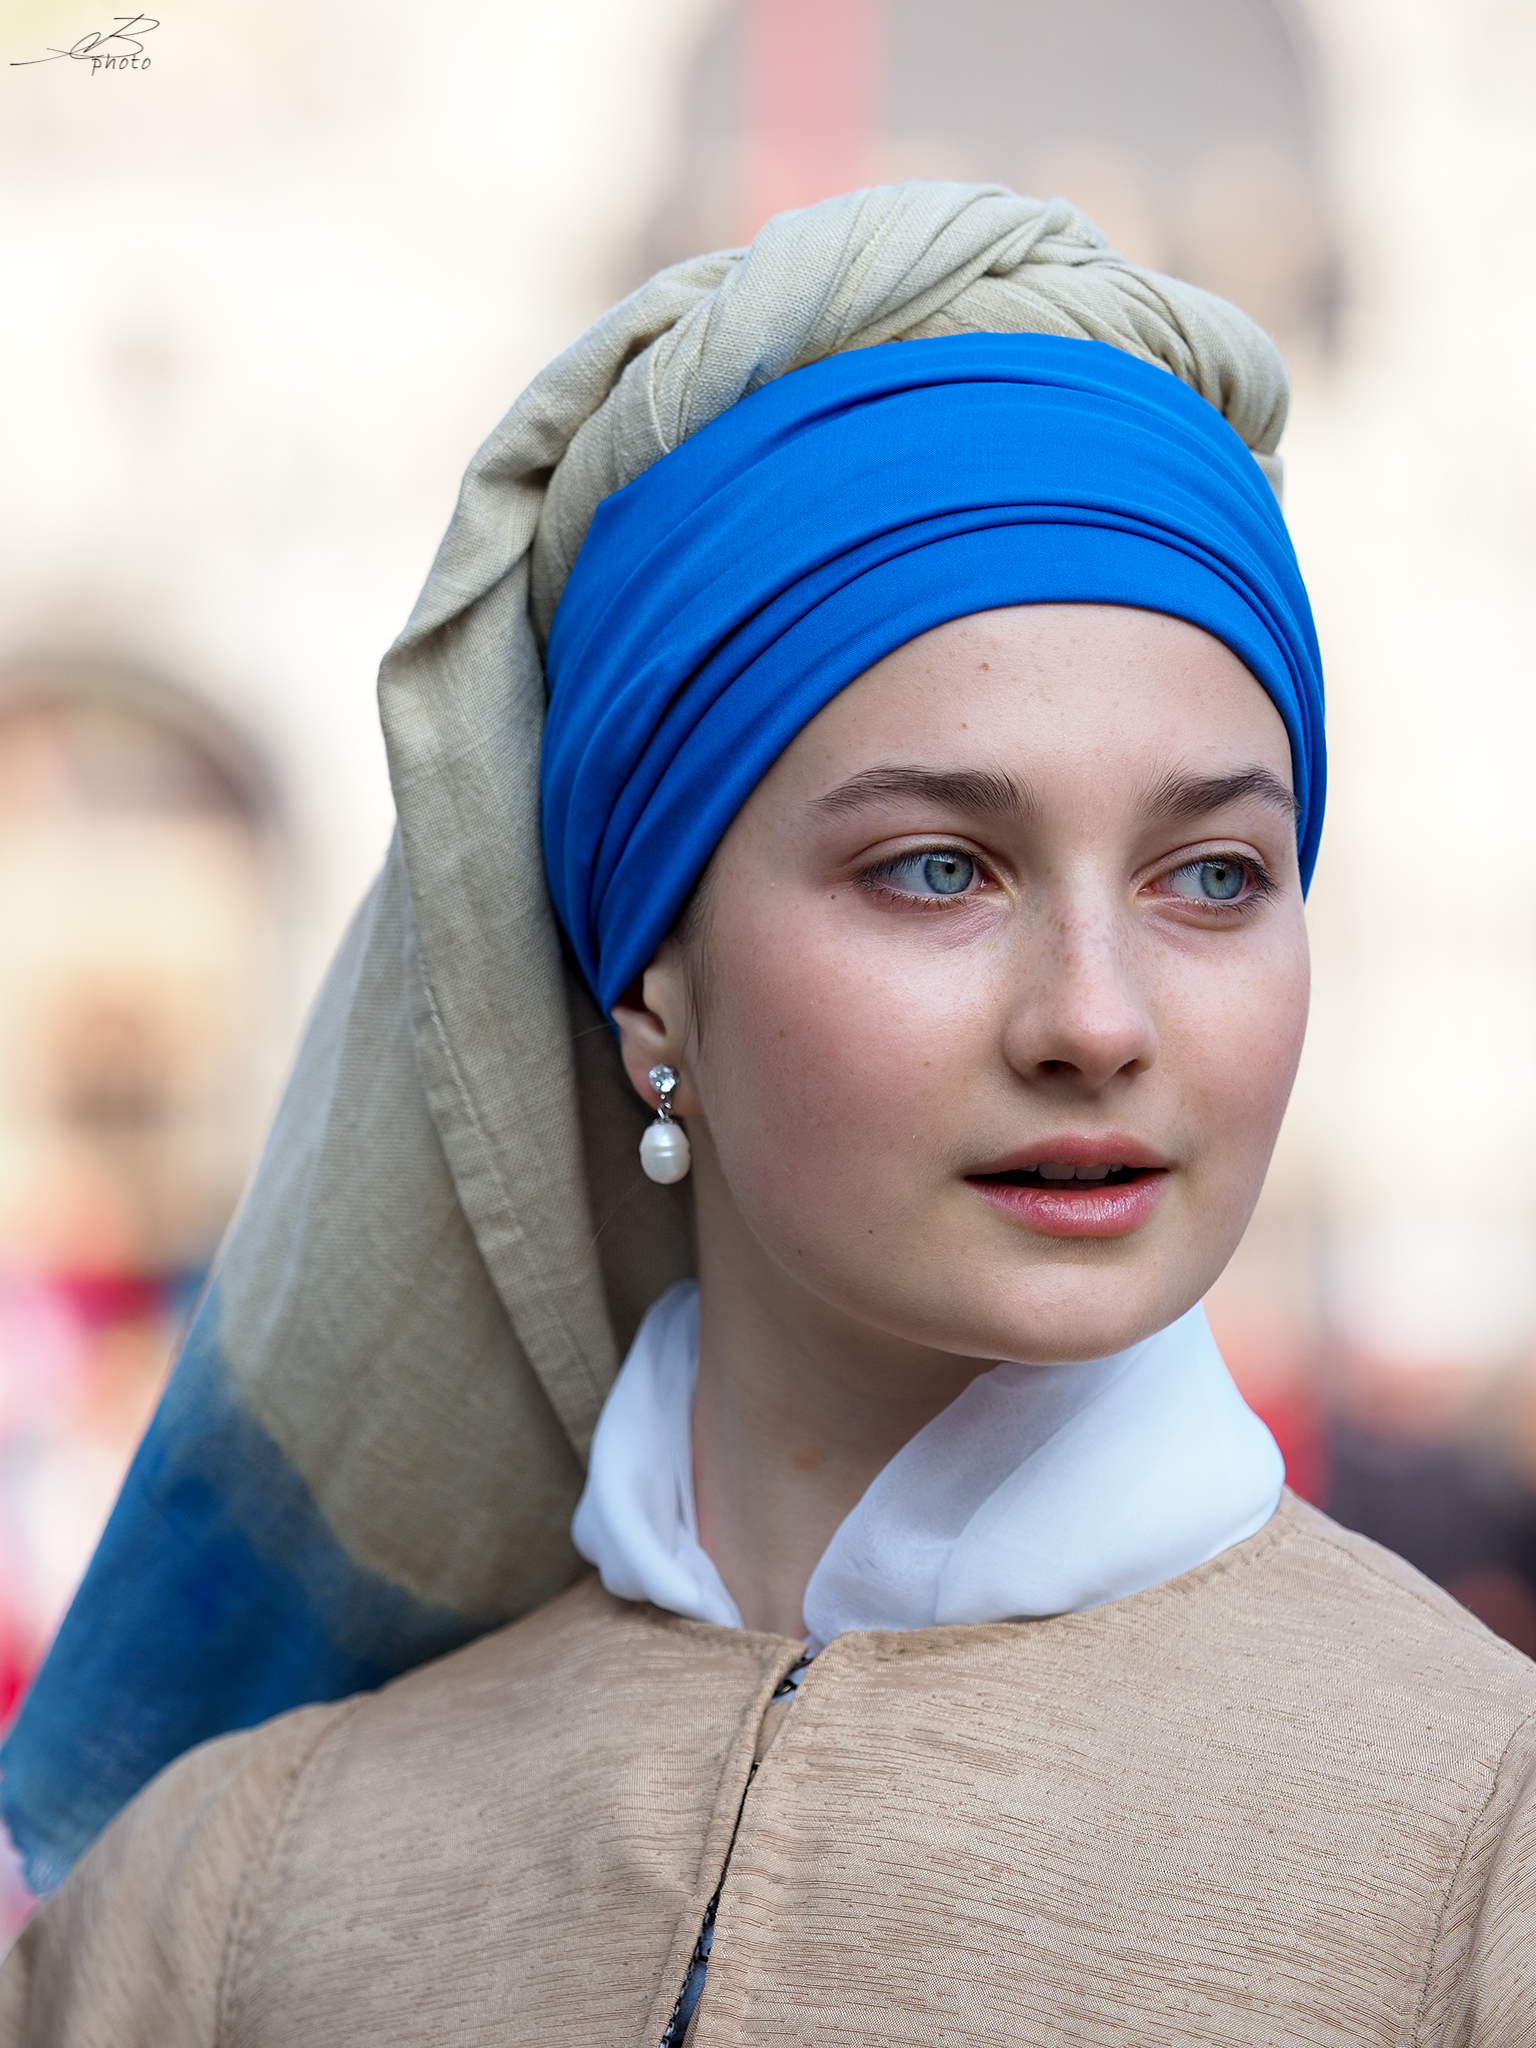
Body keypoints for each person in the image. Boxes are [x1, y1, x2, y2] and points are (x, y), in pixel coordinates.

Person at [3, 183, 1535, 2045]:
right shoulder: (226, 1907)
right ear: (651, 974)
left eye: (1212, 877)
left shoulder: (1486, 1863)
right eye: (935, 870)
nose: (1097, 1018)